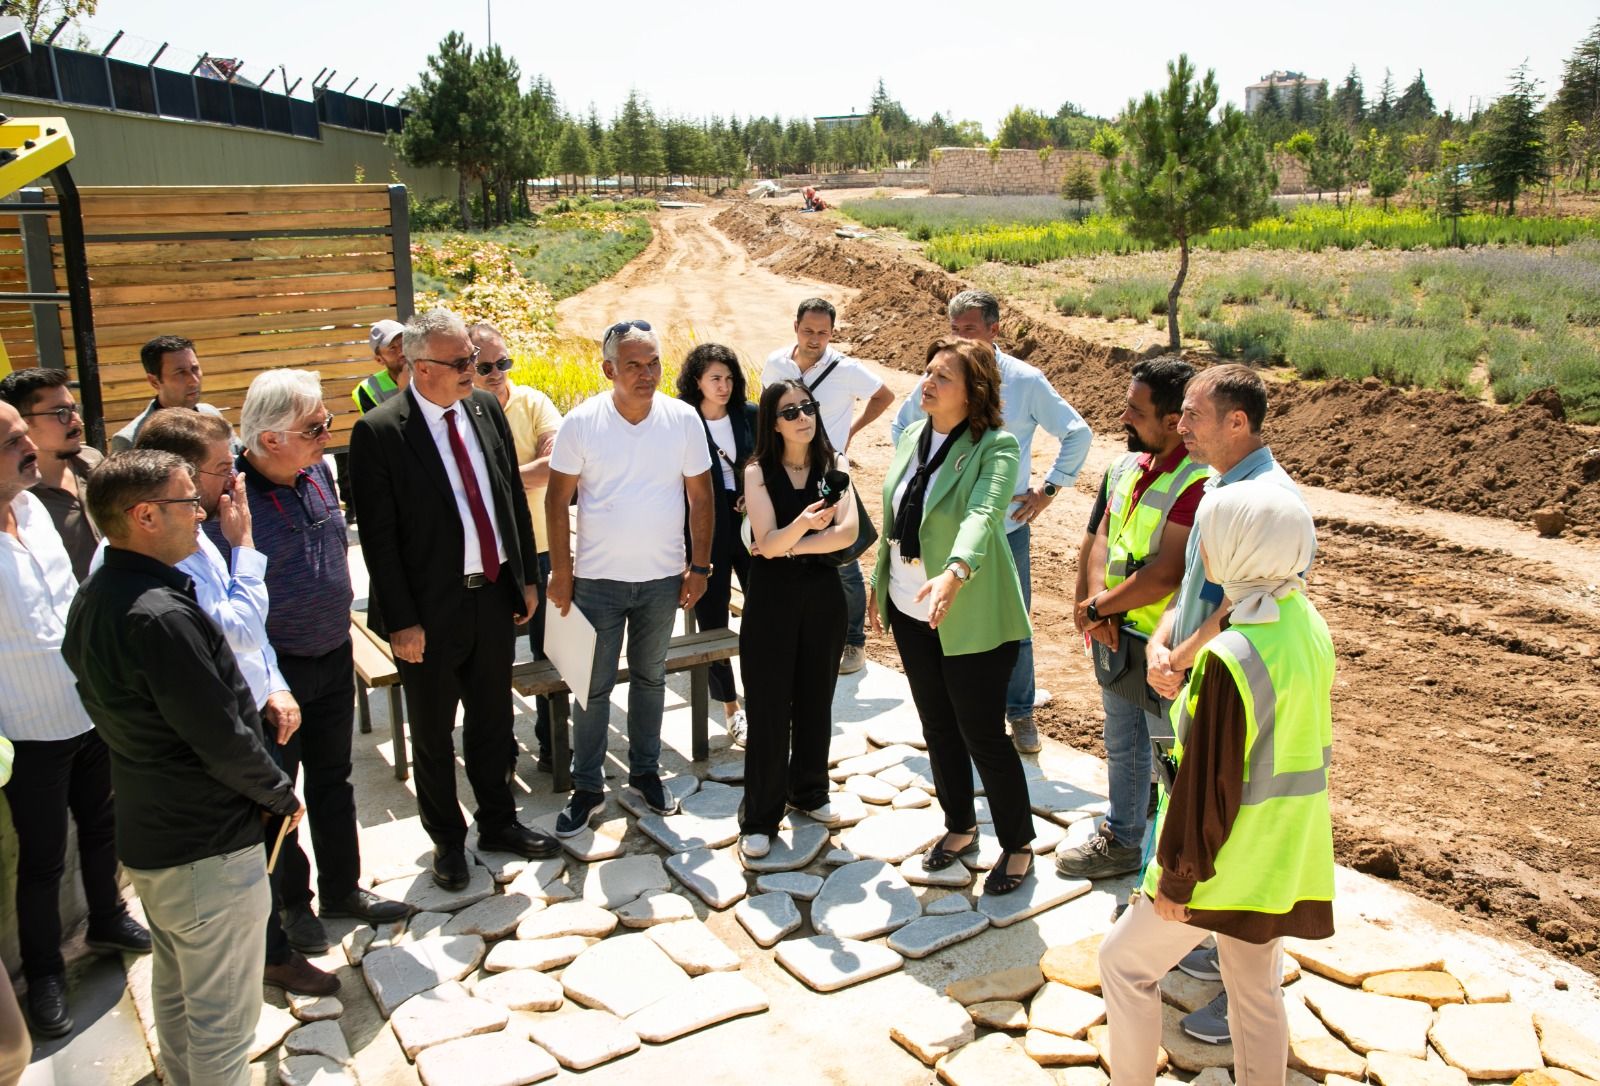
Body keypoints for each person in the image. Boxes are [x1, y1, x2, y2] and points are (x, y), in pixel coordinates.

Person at [63, 450, 304, 1086]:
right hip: (207, 847)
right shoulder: (161, 616)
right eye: (186, 504)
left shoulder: (97, 596)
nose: (201, 515)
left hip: (152, 836)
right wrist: (280, 794)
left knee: (176, 987)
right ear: (143, 515)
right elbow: (220, 736)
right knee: (225, 1021)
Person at [1097, 480, 1333, 1085]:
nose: (1205, 552)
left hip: (1222, 858)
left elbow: (1209, 783)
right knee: (1254, 990)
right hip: (1284, 855)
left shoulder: (1233, 655)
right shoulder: (1304, 622)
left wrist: (1177, 877)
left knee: (1123, 965)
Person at [350, 309, 560, 891]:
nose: (475, 369)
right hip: (430, 613)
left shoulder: (485, 409)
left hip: (492, 596)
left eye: (474, 357)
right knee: (435, 733)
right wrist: (403, 621)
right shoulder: (381, 432)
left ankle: (499, 822)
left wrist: (523, 577)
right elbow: (380, 539)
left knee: (492, 721)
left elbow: (508, 498)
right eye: (462, 362)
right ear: (420, 368)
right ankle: (447, 841)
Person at [1146, 363, 1314, 1046]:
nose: (1179, 426)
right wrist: (1164, 638)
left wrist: (1181, 659)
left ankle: (1229, 980)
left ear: (1237, 422)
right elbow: (1194, 587)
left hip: (1217, 681)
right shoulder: (1222, 484)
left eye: (1192, 414)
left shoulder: (1270, 503)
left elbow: (1248, 608)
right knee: (1188, 807)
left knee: (1223, 825)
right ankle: (1210, 952)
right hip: (1188, 674)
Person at [0, 402, 149, 1041]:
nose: (29, 444)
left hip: (87, 708)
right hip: (26, 728)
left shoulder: (36, 509)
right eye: (12, 440)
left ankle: (109, 917)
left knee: (101, 826)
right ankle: (46, 975)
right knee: (38, 862)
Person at [891, 289, 1092, 753]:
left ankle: (1020, 714)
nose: (961, 339)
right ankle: (955, 715)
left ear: (994, 330)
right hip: (941, 534)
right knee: (939, 618)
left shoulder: (1023, 381)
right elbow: (902, 427)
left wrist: (1049, 489)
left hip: (1002, 532)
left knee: (1010, 626)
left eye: (971, 331)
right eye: (954, 331)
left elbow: (1077, 433)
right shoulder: (941, 376)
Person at [868, 337, 1035, 895]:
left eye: (943, 377)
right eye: (928, 371)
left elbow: (985, 513)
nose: (927, 383)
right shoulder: (914, 434)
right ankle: (960, 826)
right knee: (937, 724)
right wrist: (879, 581)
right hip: (912, 603)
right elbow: (893, 514)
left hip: (969, 612)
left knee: (982, 732)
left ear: (974, 393)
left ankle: (1018, 845)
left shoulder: (997, 445)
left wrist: (956, 570)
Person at [545, 319, 714, 835]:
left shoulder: (682, 418)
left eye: (654, 362)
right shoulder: (582, 422)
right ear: (608, 369)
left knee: (650, 678)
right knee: (591, 688)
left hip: (663, 579)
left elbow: (701, 498)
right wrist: (561, 571)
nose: (647, 374)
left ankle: (645, 772)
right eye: (634, 364)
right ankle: (588, 786)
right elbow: (557, 500)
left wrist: (700, 566)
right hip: (596, 581)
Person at [1057, 357, 1205, 880]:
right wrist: (1093, 607)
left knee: (1172, 758)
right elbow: (1098, 537)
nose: (1123, 417)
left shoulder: (1199, 481)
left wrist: (1099, 608)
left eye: (1135, 410)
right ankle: (1123, 837)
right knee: (1123, 744)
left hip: (1167, 649)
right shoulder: (1125, 467)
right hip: (1116, 634)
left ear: (1173, 420)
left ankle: (1176, 861)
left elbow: (1167, 573)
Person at [737, 379, 857, 857]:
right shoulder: (757, 471)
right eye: (789, 412)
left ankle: (809, 791)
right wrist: (805, 526)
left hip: (823, 596)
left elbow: (845, 535)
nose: (802, 417)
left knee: (816, 699)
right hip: (771, 600)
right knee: (767, 707)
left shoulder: (836, 464)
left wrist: (789, 543)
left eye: (807, 407)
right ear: (772, 422)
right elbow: (763, 544)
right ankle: (760, 816)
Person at [762, 298, 894, 675]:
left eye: (823, 332)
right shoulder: (776, 364)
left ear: (833, 332)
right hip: (785, 469)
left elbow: (884, 395)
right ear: (796, 327)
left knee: (842, 559)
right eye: (808, 330)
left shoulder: (846, 369)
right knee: (787, 545)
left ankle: (854, 642)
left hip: (827, 474)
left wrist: (850, 432)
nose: (815, 338)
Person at [467, 321, 563, 773]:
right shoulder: (461, 411)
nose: (496, 372)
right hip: (489, 557)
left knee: (551, 654)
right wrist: (525, 473)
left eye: (503, 362)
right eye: (485, 365)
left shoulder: (533, 401)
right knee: (491, 663)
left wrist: (493, 481)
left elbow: (556, 464)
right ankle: (499, 752)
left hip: (542, 549)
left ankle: (552, 746)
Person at [675, 343, 757, 746]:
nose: (724, 386)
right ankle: (730, 707)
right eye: (714, 379)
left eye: (729, 378)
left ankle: (763, 696)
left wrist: (752, 495)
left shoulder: (750, 415)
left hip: (748, 521)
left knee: (763, 606)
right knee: (712, 617)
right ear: (697, 382)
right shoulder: (680, 420)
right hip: (704, 523)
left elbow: (768, 464)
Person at [0, 367, 102, 582]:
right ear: (24, 421)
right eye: (61, 413)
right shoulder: (18, 500)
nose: (77, 422)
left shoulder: (94, 462)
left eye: (74, 410)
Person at [109, 336, 228, 452]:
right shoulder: (130, 440)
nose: (194, 381)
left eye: (195, 369)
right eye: (180, 373)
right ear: (154, 381)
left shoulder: (212, 414)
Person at [353, 319, 410, 414]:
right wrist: (406, 393)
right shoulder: (368, 389)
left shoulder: (432, 372)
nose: (402, 352)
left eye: (404, 343)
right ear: (379, 360)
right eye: (392, 348)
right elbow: (380, 427)